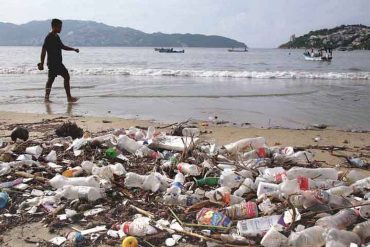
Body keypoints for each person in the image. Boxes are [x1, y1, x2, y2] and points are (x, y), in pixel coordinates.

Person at [37, 19, 79, 103]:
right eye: (59, 27)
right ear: (54, 26)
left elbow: (62, 46)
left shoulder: (56, 36)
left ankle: (48, 98)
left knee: (54, 79)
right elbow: (43, 50)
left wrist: (73, 49)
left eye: (61, 27)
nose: (61, 29)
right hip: (53, 63)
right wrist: (41, 63)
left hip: (57, 62)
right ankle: (67, 98)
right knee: (60, 77)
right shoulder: (49, 37)